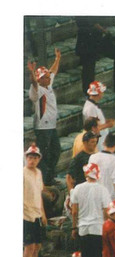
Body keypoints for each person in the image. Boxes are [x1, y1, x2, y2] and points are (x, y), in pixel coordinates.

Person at [70, 162, 112, 257]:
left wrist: (73, 227)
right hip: (97, 227)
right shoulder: (103, 190)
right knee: (96, 256)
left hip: (83, 227)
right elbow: (106, 211)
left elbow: (74, 211)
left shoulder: (77, 188)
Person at [26, 49, 61, 185]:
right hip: (43, 127)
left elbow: (53, 71)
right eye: (46, 76)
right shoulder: (37, 90)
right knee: (44, 155)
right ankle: (45, 181)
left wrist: (57, 59)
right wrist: (31, 71)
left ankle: (50, 177)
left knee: (56, 151)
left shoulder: (48, 83)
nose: (49, 77)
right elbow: (34, 82)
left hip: (52, 125)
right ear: (40, 79)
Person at [23, 145, 46, 257]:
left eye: (35, 157)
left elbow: (39, 194)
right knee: (29, 247)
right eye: (30, 157)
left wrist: (43, 214)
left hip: (37, 214)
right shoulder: (22, 174)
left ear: (39, 159)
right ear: (26, 158)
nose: (32, 160)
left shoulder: (38, 173)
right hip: (26, 215)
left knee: (37, 247)